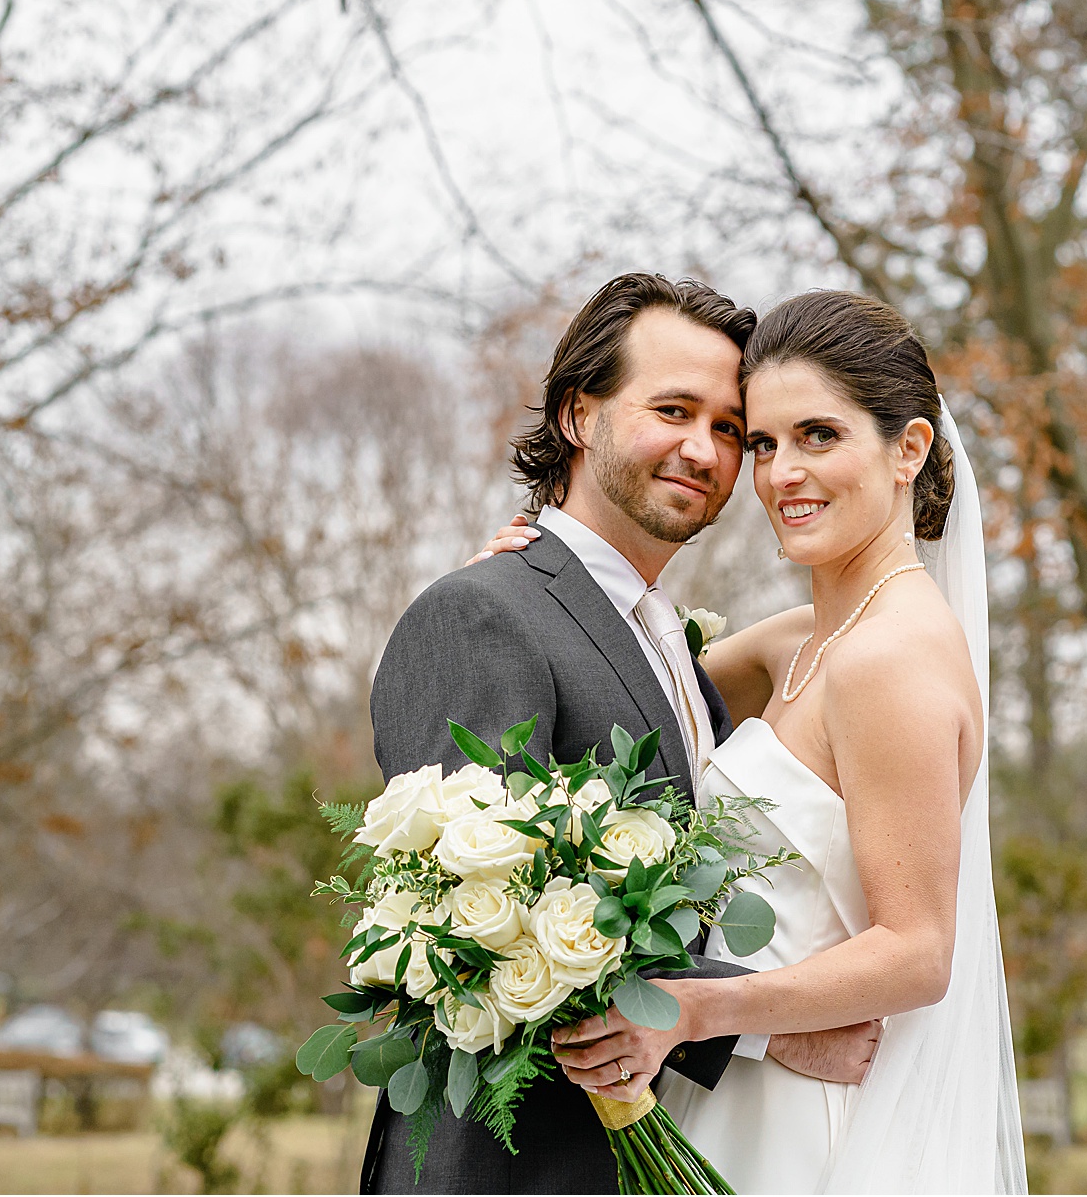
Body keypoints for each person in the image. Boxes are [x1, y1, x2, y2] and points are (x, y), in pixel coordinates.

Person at [479, 290, 1028, 1193]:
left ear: (910, 449)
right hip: (728, 1087)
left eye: (819, 435)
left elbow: (919, 949)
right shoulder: (798, 642)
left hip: (798, 1120)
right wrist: (516, 587)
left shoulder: (890, 660)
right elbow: (618, 675)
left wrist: (701, 1009)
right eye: (764, 442)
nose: (780, 474)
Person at [360, 273, 884, 1194]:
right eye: (673, 409)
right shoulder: (482, 615)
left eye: (730, 429)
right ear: (577, 414)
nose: (704, 449)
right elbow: (478, 939)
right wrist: (763, 1028)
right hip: (509, 1166)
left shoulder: (669, 642)